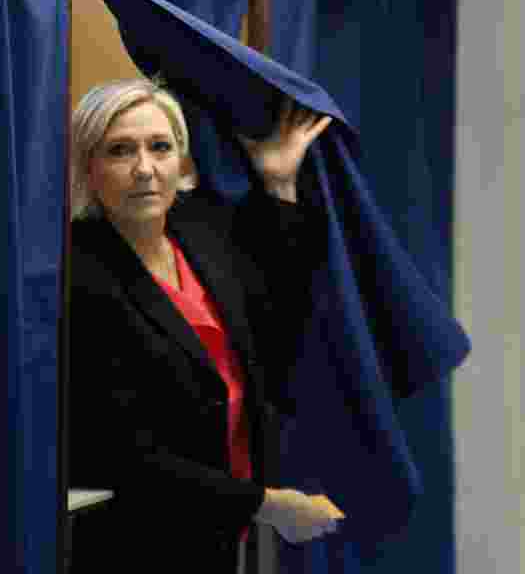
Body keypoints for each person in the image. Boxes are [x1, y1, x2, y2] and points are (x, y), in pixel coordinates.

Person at [68, 77, 343, 574]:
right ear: (89, 167)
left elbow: (277, 313)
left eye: (160, 147)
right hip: (131, 542)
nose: (145, 169)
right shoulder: (78, 275)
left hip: (216, 529)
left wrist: (279, 183)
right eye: (119, 151)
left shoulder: (198, 233)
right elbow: (120, 452)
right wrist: (268, 503)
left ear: (183, 161)